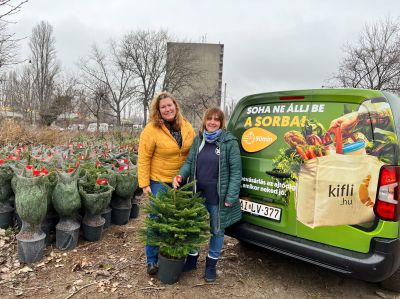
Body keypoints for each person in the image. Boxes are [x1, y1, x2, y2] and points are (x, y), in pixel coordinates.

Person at [172, 107, 242, 282]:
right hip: (197, 194)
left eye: (216, 119)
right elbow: (190, 162)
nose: (212, 122)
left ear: (221, 123)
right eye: (209, 119)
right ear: (204, 121)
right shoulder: (199, 140)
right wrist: (181, 175)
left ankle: (211, 266)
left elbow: (236, 172)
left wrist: (231, 196)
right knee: (194, 227)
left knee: (217, 231)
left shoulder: (229, 142)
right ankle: (192, 259)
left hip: (218, 197)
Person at [138, 91, 195, 275]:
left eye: (170, 105)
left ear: (175, 106)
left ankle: (177, 254)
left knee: (181, 219)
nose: (167, 109)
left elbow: (193, 152)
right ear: (158, 110)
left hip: (182, 180)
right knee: (157, 219)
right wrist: (144, 184)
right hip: (159, 180)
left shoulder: (186, 126)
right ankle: (152, 260)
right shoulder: (151, 130)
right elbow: (144, 157)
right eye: (163, 107)